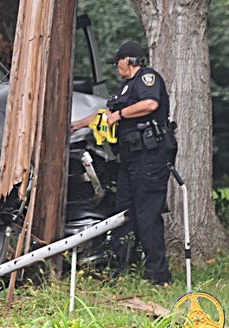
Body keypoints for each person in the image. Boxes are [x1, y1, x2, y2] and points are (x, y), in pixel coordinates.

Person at [71, 40, 175, 285]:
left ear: (129, 60)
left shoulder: (147, 78)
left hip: (150, 157)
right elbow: (105, 116)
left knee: (147, 214)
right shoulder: (125, 88)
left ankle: (158, 276)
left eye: (118, 61)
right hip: (130, 159)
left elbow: (151, 104)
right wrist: (76, 125)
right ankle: (123, 267)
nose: (116, 66)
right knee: (123, 212)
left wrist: (119, 115)